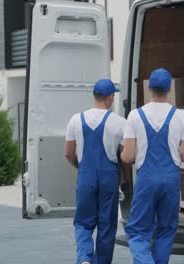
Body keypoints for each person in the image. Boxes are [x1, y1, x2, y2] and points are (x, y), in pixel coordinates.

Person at [121, 68, 184, 264]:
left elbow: (128, 156)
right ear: (170, 88)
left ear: (149, 87)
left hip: (146, 179)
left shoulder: (135, 116)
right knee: (165, 230)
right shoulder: (181, 116)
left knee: (137, 231)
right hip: (171, 180)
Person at [64, 79, 128, 264]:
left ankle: (84, 258)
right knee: (107, 226)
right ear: (110, 97)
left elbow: (68, 153)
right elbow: (125, 158)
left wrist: (81, 168)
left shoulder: (76, 120)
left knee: (83, 222)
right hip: (109, 177)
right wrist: (123, 177)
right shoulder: (119, 123)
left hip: (86, 176)